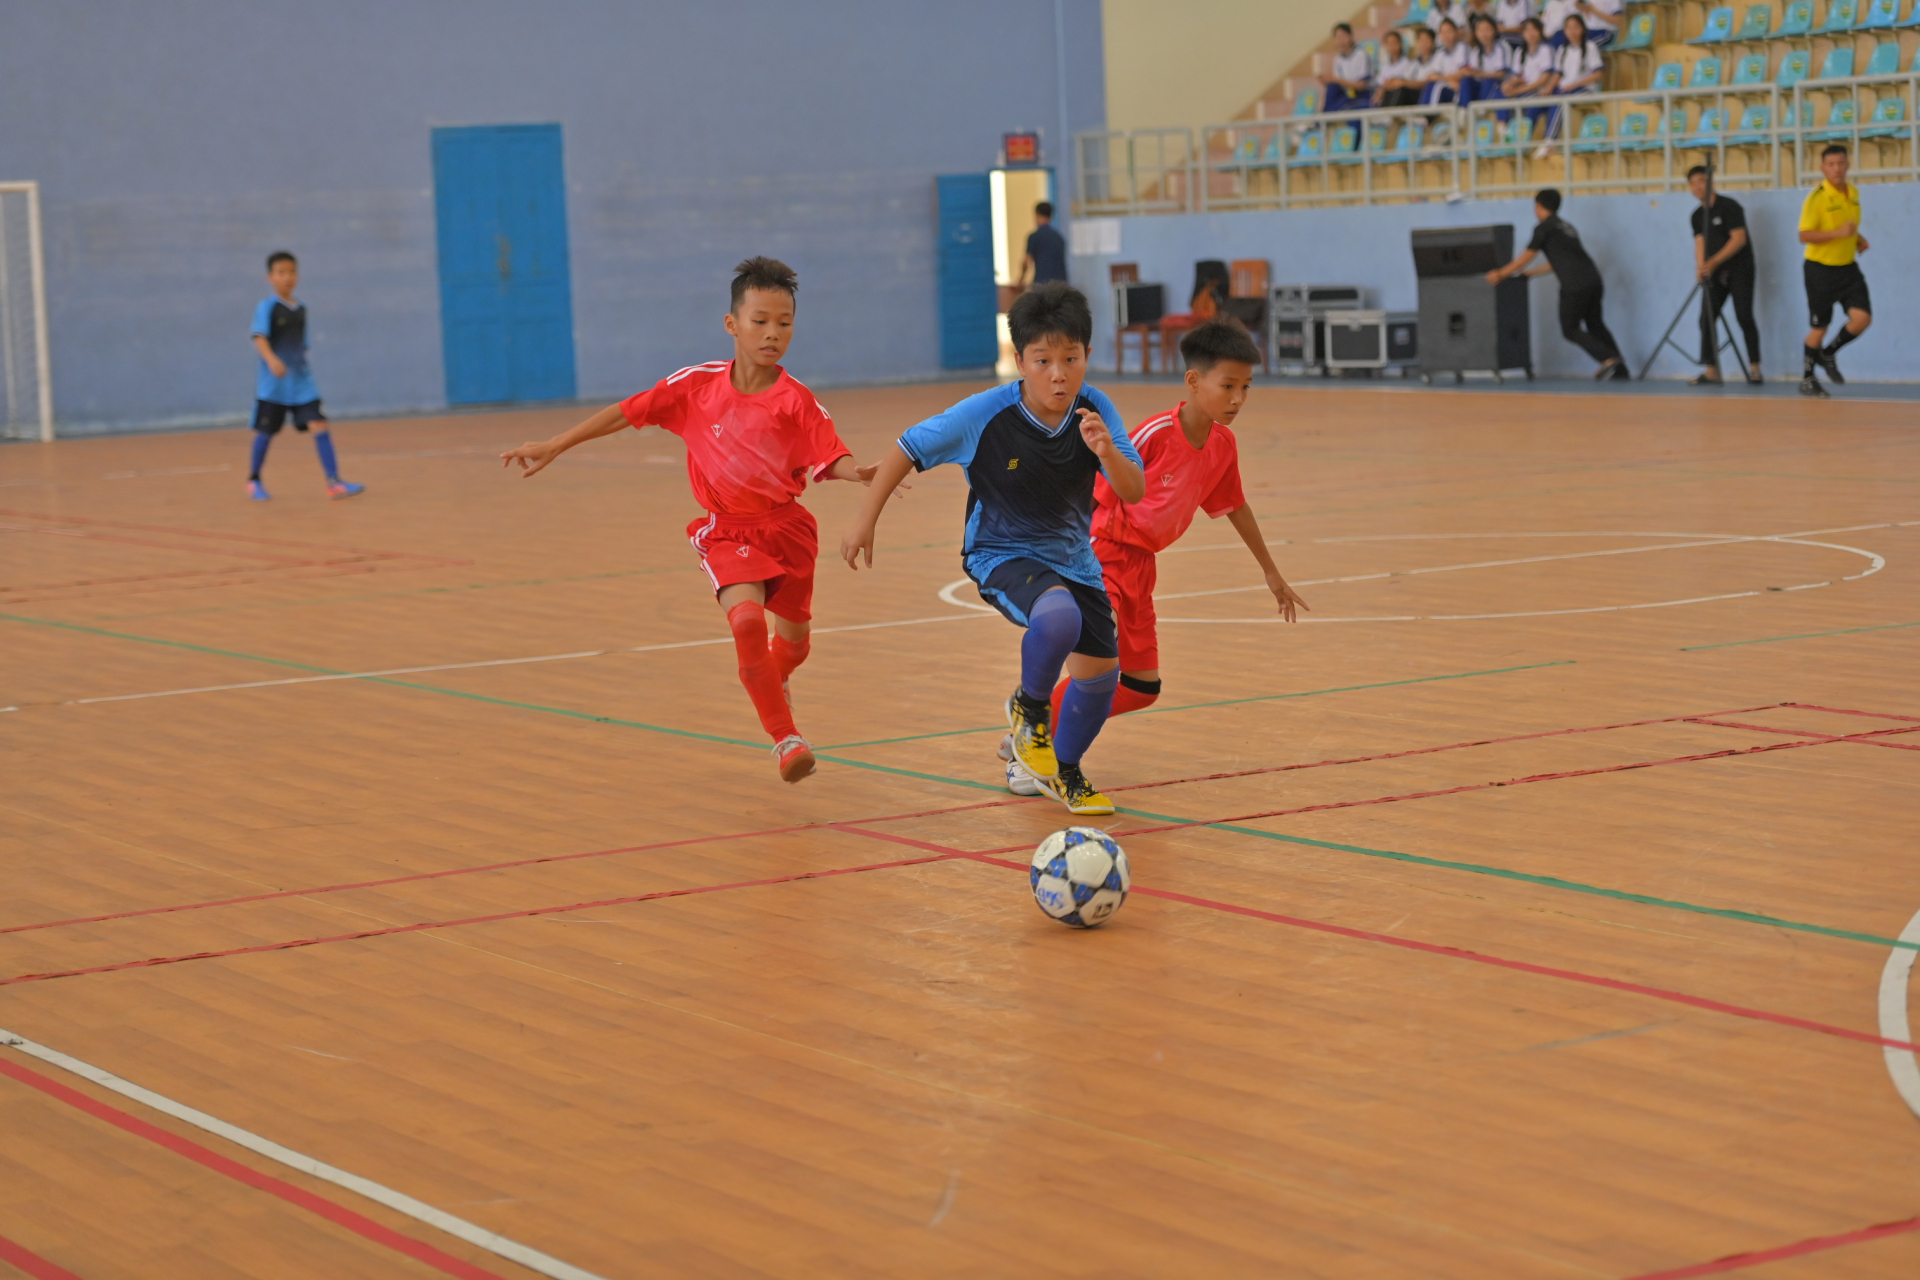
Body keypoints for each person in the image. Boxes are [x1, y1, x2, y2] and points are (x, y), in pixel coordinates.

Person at [500, 257, 890, 784]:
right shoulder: (695, 387)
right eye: (760, 321)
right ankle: (785, 738)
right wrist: (557, 443)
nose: (773, 333)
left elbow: (829, 453)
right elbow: (627, 411)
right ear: (732, 324)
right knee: (748, 622)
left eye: (784, 323)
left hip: (789, 529)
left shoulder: (795, 401)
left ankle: (774, 681)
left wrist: (855, 472)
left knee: (794, 643)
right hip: (727, 530)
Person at [840, 283, 1146, 816]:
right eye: (1043, 360)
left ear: (1087, 357)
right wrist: (865, 518)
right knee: (1057, 620)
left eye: (1071, 359)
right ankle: (1029, 712)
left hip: (1075, 559)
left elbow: (1133, 490)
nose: (1059, 373)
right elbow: (907, 448)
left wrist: (1106, 453)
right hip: (1000, 552)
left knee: (1099, 679)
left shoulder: (1096, 409)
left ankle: (1064, 772)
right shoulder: (984, 414)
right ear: (1021, 361)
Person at [996, 321, 1308, 796]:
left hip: (1142, 566)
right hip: (1103, 554)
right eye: (1227, 386)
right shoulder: (1154, 435)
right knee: (1097, 666)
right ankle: (1036, 750)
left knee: (1141, 686)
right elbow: (1093, 494)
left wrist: (1271, 570)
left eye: (1246, 388)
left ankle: (1030, 727)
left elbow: (1233, 505)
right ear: (1193, 381)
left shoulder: (1222, 445)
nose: (1238, 399)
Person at [245, 252, 363, 502]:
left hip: (302, 384)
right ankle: (254, 480)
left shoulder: (302, 309)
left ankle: (334, 482)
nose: (286, 277)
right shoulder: (266, 307)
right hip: (273, 386)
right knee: (266, 432)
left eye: (291, 272)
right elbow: (259, 337)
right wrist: (272, 360)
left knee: (320, 424)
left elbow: (303, 345)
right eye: (280, 272)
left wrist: (299, 365)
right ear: (270, 277)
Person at [1486, 188, 1628, 378]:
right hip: (1593, 281)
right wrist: (1532, 274)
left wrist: (1501, 273)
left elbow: (1527, 255)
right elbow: (1557, 261)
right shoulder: (1566, 227)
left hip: (1575, 285)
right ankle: (1620, 370)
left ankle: (1608, 358)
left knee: (1570, 329)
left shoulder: (1543, 228)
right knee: (1596, 325)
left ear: (1538, 206)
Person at [1797, 143, 1872, 398]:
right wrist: (1837, 234)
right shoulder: (1817, 198)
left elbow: (1848, 226)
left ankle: (1828, 354)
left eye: (1841, 163)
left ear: (1848, 165)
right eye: (1831, 165)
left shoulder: (1852, 192)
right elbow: (1804, 234)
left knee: (1862, 318)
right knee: (1820, 327)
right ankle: (1807, 379)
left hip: (1847, 268)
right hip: (1820, 270)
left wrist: (1858, 239)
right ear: (1822, 168)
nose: (1837, 169)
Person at [1687, 165, 1762, 386]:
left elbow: (1739, 239)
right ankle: (1712, 370)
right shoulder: (1696, 216)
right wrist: (1701, 267)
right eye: (1693, 183)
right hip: (1714, 273)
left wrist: (1715, 261)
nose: (1698, 186)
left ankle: (1755, 367)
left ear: (1711, 181)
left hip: (1740, 270)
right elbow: (1700, 242)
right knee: (1706, 318)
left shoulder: (1730, 207)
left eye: (1702, 180)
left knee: (1744, 316)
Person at [1539, 13, 1603, 148]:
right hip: (1565, 89)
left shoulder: (1590, 47)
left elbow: (1598, 74)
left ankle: (1550, 141)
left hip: (1585, 89)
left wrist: (1574, 85)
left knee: (1561, 100)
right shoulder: (1562, 50)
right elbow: (1557, 74)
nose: (1572, 31)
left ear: (1583, 29)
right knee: (1544, 99)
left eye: (1576, 27)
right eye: (1569, 28)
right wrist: (1548, 88)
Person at [1502, 17, 1559, 136]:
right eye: (1527, 30)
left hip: (1541, 92)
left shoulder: (1546, 49)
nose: (1531, 34)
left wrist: (1519, 90)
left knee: (1530, 105)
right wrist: (1508, 85)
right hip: (1525, 90)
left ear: (1540, 31)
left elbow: (1544, 79)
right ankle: (1506, 133)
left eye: (1534, 30)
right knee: (1503, 96)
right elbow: (1516, 76)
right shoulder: (1519, 52)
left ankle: (1523, 138)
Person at [1462, 14, 1512, 106]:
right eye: (1480, 30)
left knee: (1490, 81)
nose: (1483, 34)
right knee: (1466, 80)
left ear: (1494, 30)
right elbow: (1474, 74)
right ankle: (1464, 109)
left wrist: (1479, 73)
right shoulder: (1476, 51)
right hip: (1481, 85)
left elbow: (1501, 74)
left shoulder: (1503, 47)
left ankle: (1481, 108)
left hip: (1499, 85)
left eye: (1487, 29)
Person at [1324, 24, 1375, 111]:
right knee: (1332, 87)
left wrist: (1337, 80)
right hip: (1347, 94)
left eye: (1342, 36)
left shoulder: (1361, 55)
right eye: (1337, 37)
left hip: (1363, 94)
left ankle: (1327, 120)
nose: (1340, 40)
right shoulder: (1338, 59)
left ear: (1350, 36)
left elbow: (1361, 85)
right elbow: (1339, 83)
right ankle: (1324, 120)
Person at [1018, 202, 1068, 287]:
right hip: (1061, 285)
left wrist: (1021, 279)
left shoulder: (1035, 237)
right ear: (1051, 216)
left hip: (1042, 284)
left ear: (1036, 215)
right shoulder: (1059, 238)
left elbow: (1026, 262)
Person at [1424, 18, 1471, 104]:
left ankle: (1428, 115)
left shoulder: (1462, 48)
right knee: (1431, 85)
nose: (1446, 35)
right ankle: (1423, 113)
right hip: (1449, 85)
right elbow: (1432, 76)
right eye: (1443, 32)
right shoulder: (1440, 53)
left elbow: (1463, 72)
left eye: (1449, 31)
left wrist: (1443, 79)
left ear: (1456, 32)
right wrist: (1449, 81)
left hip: (1459, 88)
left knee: (1437, 87)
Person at [1374, 30, 1424, 107]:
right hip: (1387, 97)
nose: (1392, 46)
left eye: (1394, 42)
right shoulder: (1385, 66)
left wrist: (1392, 84)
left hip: (1405, 97)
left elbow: (1406, 83)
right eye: (1389, 43)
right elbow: (1381, 84)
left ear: (1400, 44)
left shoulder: (1409, 63)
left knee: (1398, 90)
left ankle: (1390, 114)